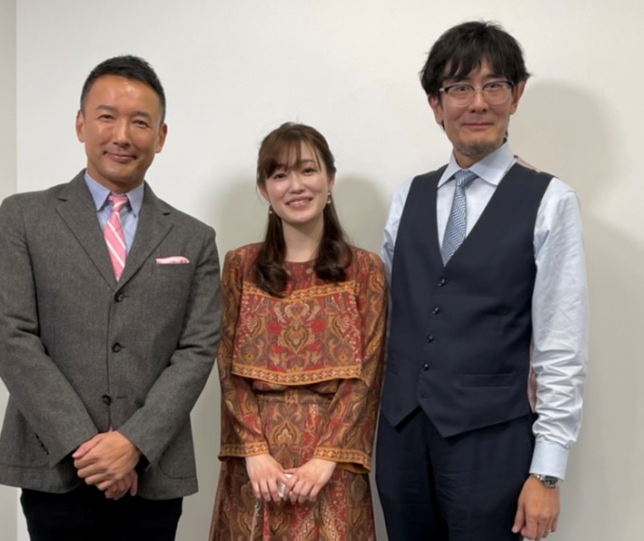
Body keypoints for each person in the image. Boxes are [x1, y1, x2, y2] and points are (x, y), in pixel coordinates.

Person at [0, 55, 221, 541]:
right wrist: (88, 449)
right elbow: (10, 335)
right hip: (55, 469)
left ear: (161, 136)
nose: (122, 135)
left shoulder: (194, 238)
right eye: (107, 116)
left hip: (152, 473)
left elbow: (197, 349)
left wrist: (134, 443)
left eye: (140, 122)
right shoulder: (23, 217)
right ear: (81, 124)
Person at [375, 21, 588, 541]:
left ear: (516, 95)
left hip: (493, 444)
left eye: (494, 85)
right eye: (459, 88)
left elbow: (562, 343)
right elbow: (390, 315)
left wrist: (547, 472)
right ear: (436, 104)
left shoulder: (550, 201)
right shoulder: (407, 198)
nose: (477, 103)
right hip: (402, 439)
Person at [208, 122, 387, 540]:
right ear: (264, 189)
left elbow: (368, 375)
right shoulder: (240, 266)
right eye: (280, 174)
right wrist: (255, 452)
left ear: (330, 179)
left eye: (308, 170)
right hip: (256, 470)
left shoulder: (365, 270)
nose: (296, 186)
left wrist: (325, 459)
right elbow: (228, 368)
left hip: (333, 468)